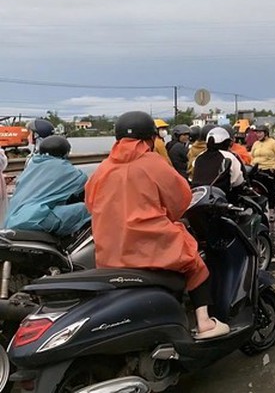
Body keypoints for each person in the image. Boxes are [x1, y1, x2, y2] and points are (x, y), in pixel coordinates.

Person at [85, 111, 229, 340]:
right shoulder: (152, 163)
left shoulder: (102, 168)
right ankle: (204, 323)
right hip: (150, 245)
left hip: (108, 253)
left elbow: (90, 204)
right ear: (150, 139)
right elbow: (181, 200)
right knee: (194, 261)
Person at [5, 136, 90, 236]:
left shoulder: (31, 166)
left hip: (12, 221)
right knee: (89, 209)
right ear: (66, 152)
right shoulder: (70, 171)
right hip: (35, 219)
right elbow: (86, 187)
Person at [191, 127, 245, 197]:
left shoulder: (199, 156)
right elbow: (238, 181)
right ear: (226, 142)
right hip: (221, 197)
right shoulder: (229, 156)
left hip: (199, 195)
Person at [250, 125, 275, 221]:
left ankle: (271, 211)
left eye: (260, 132)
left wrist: (274, 167)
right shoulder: (256, 143)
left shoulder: (273, 143)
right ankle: (258, 210)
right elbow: (251, 155)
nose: (258, 134)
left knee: (270, 192)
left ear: (266, 133)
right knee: (256, 191)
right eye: (257, 132)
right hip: (256, 170)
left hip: (268, 170)